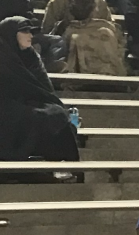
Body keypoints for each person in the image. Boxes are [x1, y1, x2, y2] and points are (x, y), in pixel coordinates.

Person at [0, 17, 79, 164]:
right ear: (10, 34)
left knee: (56, 113)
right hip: (6, 108)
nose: (30, 36)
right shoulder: (3, 57)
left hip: (29, 103)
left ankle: (63, 164)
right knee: (36, 116)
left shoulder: (32, 57)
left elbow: (44, 89)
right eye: (24, 31)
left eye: (31, 32)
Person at [40, 0, 125, 76]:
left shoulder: (99, 2)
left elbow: (109, 24)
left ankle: (106, 72)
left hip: (97, 39)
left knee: (106, 35)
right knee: (78, 39)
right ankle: (76, 73)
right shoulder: (59, 1)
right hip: (66, 40)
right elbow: (47, 29)